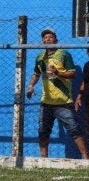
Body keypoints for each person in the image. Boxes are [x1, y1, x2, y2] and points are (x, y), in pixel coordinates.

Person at [26, 28, 88, 159]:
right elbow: (36, 74)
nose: (47, 38)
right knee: (43, 132)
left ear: (56, 39)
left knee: (74, 130)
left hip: (63, 102)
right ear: (42, 41)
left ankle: (85, 158)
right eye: (45, 37)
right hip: (46, 102)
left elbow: (72, 73)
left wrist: (57, 73)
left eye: (50, 36)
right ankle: (44, 159)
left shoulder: (63, 54)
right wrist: (31, 86)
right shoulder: (40, 57)